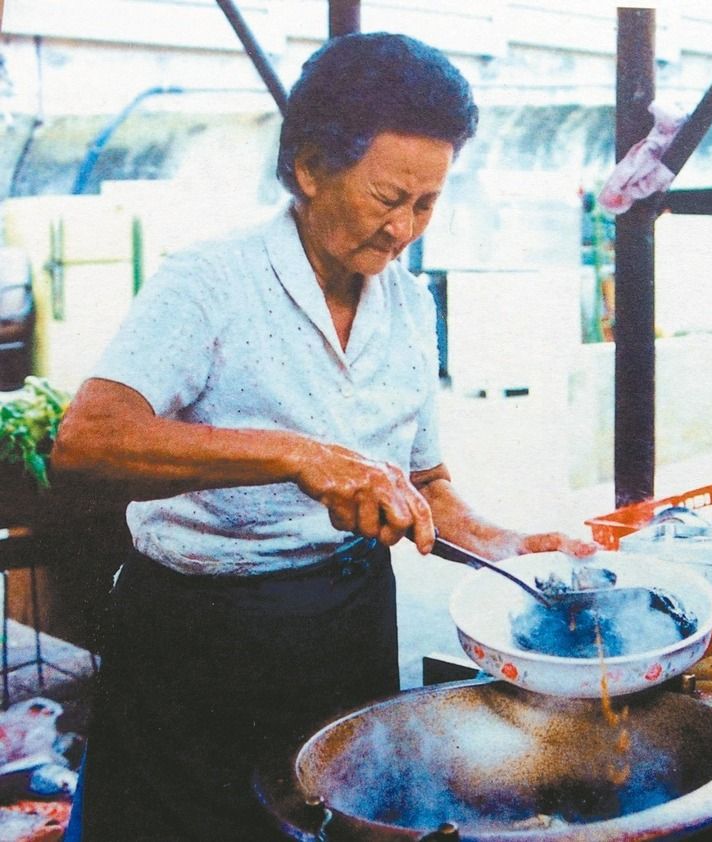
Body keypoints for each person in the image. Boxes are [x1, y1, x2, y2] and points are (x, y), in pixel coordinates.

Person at [54, 32, 592, 841]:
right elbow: (88, 439)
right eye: (387, 197)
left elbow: (424, 482)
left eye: (426, 204)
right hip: (200, 640)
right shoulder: (209, 282)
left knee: (339, 823)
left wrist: (503, 544)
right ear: (309, 167)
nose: (403, 228)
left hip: (347, 628)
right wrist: (296, 456)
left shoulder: (409, 306)